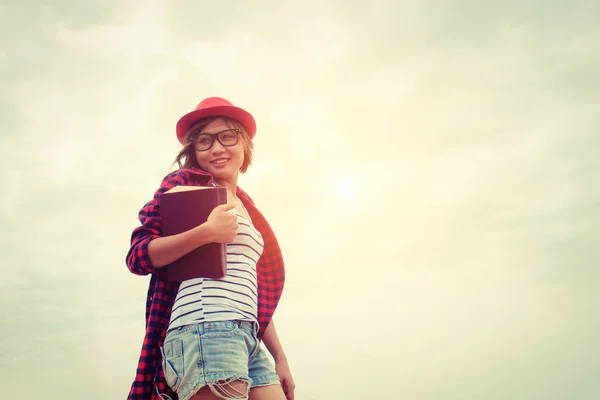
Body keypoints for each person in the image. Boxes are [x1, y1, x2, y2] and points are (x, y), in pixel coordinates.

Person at [125, 97, 295, 400]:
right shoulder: (183, 185)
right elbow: (138, 255)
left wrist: (279, 356)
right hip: (206, 327)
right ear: (194, 151)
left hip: (248, 335)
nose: (217, 148)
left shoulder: (248, 207)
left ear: (245, 145)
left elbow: (252, 288)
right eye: (204, 141)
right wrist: (205, 233)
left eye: (227, 137)